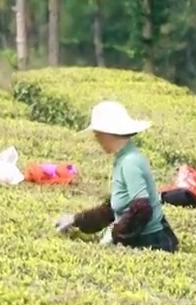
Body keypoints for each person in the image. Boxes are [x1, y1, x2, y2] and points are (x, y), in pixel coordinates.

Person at [54, 100, 179, 253]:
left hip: (151, 242)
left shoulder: (130, 162)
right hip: (143, 237)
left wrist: (115, 235)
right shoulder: (124, 158)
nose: (96, 138)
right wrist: (76, 220)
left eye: (97, 134)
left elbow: (142, 208)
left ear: (107, 133)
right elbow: (114, 208)